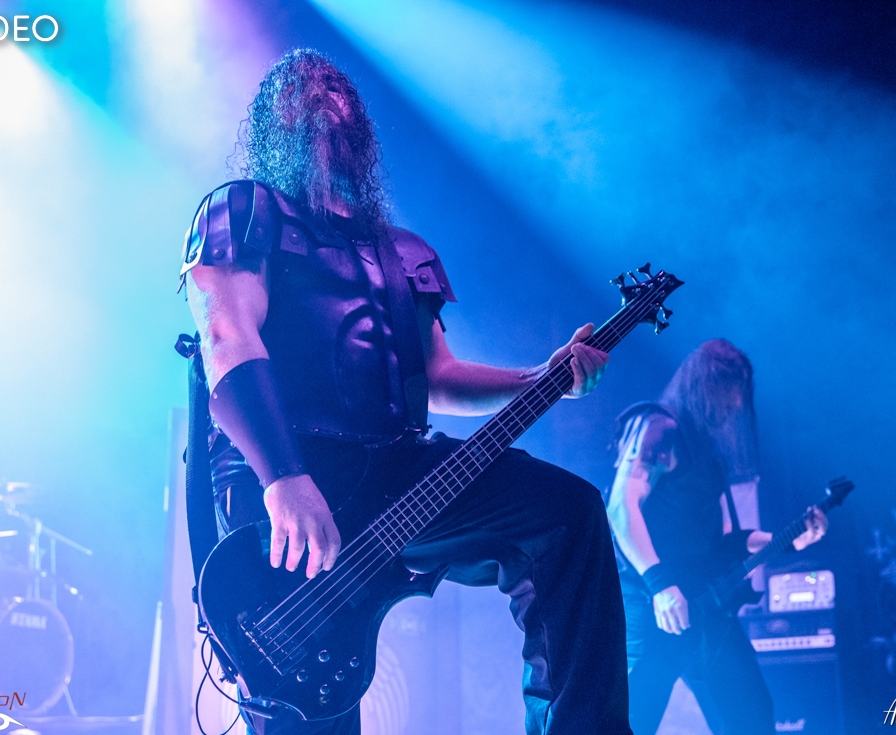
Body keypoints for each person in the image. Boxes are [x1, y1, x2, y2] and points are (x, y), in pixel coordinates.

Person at [179, 49, 632, 735]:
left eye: (336, 86)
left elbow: (437, 377)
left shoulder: (403, 252)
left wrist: (543, 379)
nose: (323, 93)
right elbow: (227, 338)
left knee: (565, 512)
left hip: (398, 467)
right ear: (271, 122)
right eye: (302, 88)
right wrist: (283, 477)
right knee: (309, 696)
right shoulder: (245, 210)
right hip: (292, 464)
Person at [605, 340, 827, 735]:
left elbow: (722, 546)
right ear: (705, 385)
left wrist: (791, 539)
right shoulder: (658, 427)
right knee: (629, 722)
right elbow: (621, 510)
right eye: (729, 389)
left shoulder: (707, 453)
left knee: (752, 717)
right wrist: (660, 585)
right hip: (650, 605)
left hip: (704, 608)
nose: (737, 403)